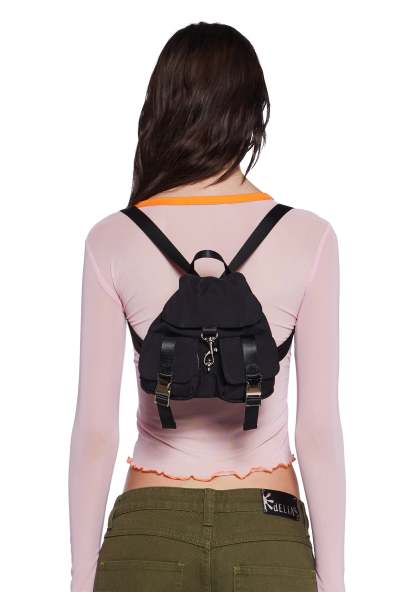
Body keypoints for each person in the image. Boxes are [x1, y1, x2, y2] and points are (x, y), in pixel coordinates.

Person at [68, 21, 346, 592]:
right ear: (252, 113)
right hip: (268, 530)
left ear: (162, 108)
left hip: (147, 531)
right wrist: (334, 579)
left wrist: (81, 577)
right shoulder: (310, 237)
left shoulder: (112, 238)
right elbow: (317, 430)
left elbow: (95, 432)